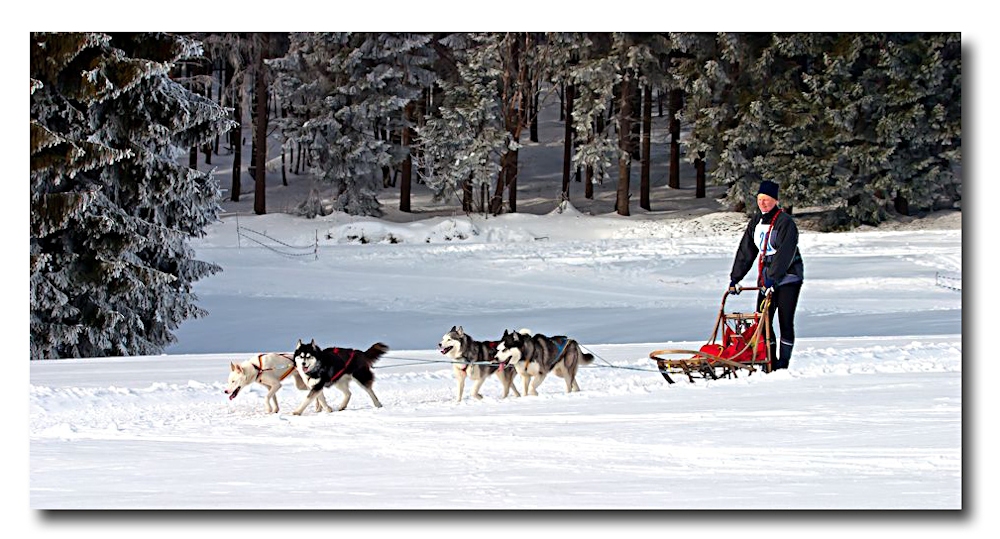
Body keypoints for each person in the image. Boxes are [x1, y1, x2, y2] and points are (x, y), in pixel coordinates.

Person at [727, 180, 804, 371]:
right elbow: (746, 251)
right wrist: (736, 278)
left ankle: (783, 364)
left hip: (788, 277)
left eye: (767, 200)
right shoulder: (756, 222)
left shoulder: (786, 223)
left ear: (775, 201)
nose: (763, 203)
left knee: (785, 320)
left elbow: (784, 253)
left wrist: (773, 278)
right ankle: (768, 361)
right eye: (760, 199)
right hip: (767, 276)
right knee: (763, 320)